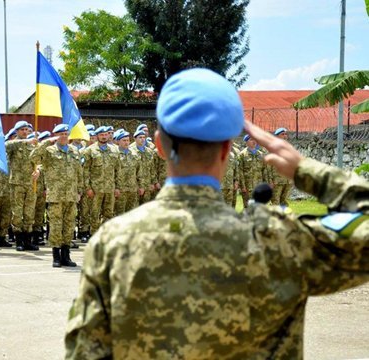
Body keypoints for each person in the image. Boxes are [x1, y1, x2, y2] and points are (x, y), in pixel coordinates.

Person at [65, 68, 369, 359]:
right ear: (227, 149)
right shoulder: (278, 240)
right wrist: (305, 169)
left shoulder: (113, 243)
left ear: (159, 146)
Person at [30, 124, 82, 267]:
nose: (64, 136)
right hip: (55, 195)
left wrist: (79, 191)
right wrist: (47, 141)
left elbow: (79, 172)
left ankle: (66, 256)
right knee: (56, 225)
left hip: (71, 195)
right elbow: (33, 157)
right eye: (61, 134)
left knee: (69, 225)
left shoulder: (74, 151)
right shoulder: (49, 151)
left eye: (66, 133)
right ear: (56, 135)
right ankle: (56, 256)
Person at [5, 120, 40, 251]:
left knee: (29, 213)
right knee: (17, 213)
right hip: (17, 183)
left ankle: (28, 240)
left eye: (27, 130)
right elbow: (6, 145)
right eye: (22, 130)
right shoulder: (14, 145)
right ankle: (19, 241)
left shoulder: (34, 146)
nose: (25, 132)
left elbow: (40, 161)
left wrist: (38, 170)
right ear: (17, 131)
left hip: (31, 183)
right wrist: (25, 141)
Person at [83, 126, 121, 237]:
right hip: (96, 189)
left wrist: (117, 187)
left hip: (110, 188)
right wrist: (88, 188)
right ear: (97, 136)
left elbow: (118, 170)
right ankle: (94, 235)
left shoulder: (114, 150)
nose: (104, 137)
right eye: (101, 135)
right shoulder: (89, 150)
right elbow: (85, 171)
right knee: (94, 213)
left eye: (106, 135)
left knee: (109, 213)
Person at [271, 127, 293, 207]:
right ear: (276, 136)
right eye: (282, 134)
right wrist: (270, 179)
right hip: (277, 180)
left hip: (288, 180)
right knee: (275, 202)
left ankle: (283, 217)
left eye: (285, 134)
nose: (285, 136)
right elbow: (269, 165)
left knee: (284, 202)